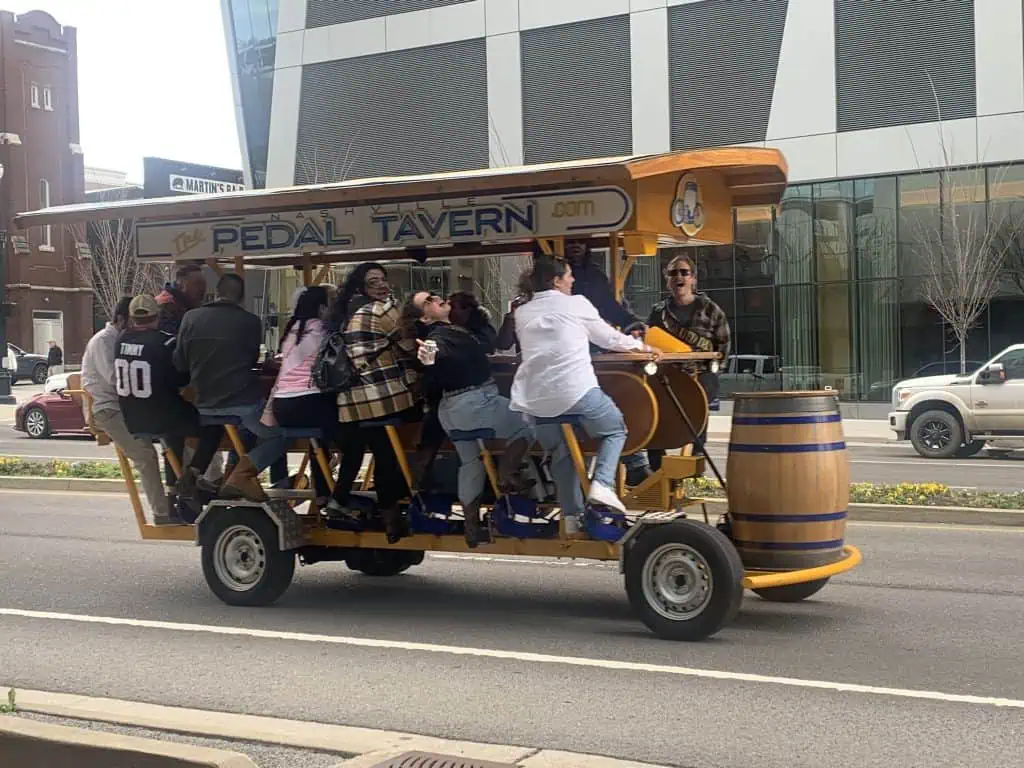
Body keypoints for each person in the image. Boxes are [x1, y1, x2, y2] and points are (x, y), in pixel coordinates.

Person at [510, 256, 662, 535]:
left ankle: (570, 518)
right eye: (568, 275)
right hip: (574, 389)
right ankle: (602, 486)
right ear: (556, 280)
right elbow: (610, 339)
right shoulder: (576, 303)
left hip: (535, 400)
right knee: (615, 429)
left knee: (561, 453)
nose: (572, 280)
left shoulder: (522, 312)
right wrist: (643, 348)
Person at [410, 290, 534, 547]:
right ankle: (507, 472)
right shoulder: (441, 334)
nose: (435, 298)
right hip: (476, 401)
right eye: (427, 302)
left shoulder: (448, 332)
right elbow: (435, 350)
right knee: (528, 423)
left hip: (451, 410)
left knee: (470, 463)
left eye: (434, 296)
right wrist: (429, 355)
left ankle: (471, 527)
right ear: (424, 318)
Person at [174, 273, 288, 502]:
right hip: (242, 402)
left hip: (204, 403)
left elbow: (180, 362)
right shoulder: (250, 321)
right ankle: (240, 477)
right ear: (241, 298)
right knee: (281, 435)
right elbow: (252, 358)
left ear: (216, 292)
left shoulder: (191, 317)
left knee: (220, 427)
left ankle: (196, 473)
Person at [328, 263, 419, 543]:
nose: (381, 285)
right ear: (361, 288)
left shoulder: (345, 311)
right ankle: (393, 512)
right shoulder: (381, 310)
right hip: (379, 398)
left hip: (351, 401)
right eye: (373, 282)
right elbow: (409, 346)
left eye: (383, 279)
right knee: (390, 451)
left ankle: (339, 500)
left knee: (366, 451)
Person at [115, 295, 223, 510]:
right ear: (157, 317)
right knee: (214, 426)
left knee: (174, 437)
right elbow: (180, 379)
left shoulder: (120, 341)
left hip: (133, 418)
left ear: (132, 318)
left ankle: (174, 493)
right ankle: (193, 474)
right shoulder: (164, 342)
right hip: (162, 415)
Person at [82, 297, 180, 526]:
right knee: (144, 455)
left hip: (129, 405)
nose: (137, 326)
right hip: (108, 409)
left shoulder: (124, 338)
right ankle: (162, 513)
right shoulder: (104, 341)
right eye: (133, 321)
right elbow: (116, 380)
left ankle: (181, 493)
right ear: (120, 319)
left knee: (176, 433)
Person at [646, 253, 730, 466]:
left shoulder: (711, 309)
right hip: (667, 377)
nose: (678, 277)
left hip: (699, 375)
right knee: (655, 418)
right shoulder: (658, 312)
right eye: (673, 273)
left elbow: (723, 345)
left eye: (684, 272)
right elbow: (649, 342)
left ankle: (695, 472)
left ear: (693, 279)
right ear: (667, 280)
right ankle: (658, 473)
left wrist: (712, 371)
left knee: (697, 423)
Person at [267, 285, 337, 505]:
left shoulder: (293, 328)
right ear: (322, 307)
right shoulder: (322, 330)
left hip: (282, 406)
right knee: (345, 431)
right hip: (307, 401)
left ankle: (322, 488)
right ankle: (327, 488)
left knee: (318, 440)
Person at [156, 263, 207, 335]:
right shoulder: (167, 306)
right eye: (197, 283)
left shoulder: (189, 303)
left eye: (204, 283)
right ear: (181, 285)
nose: (203, 288)